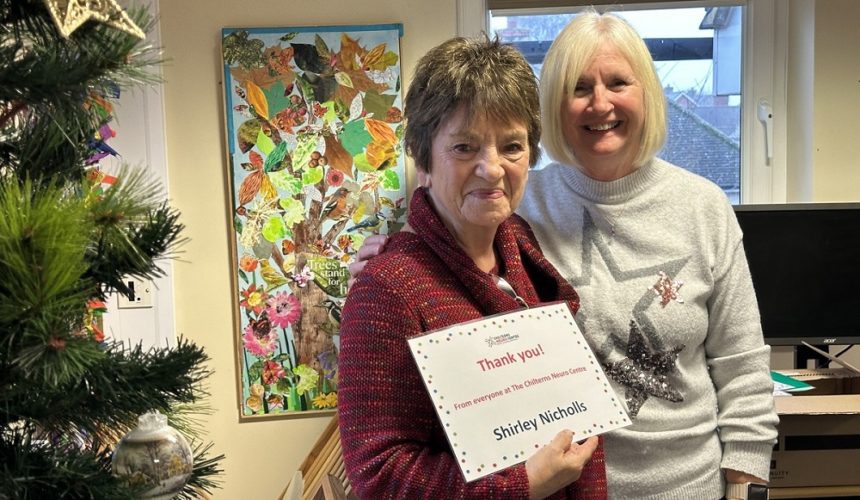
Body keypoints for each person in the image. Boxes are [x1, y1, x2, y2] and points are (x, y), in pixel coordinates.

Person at [348, 10, 779, 500]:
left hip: (688, 484)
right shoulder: (518, 211)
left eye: (618, 82)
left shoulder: (702, 207)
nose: (601, 103)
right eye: (579, 87)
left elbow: (742, 363)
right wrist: (383, 259)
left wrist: (748, 483)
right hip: (563, 486)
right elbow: (438, 247)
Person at [337, 36, 608, 499]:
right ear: (424, 159)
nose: (492, 168)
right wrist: (520, 485)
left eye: (512, 146)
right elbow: (378, 477)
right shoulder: (387, 290)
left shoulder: (519, 247)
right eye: (464, 147)